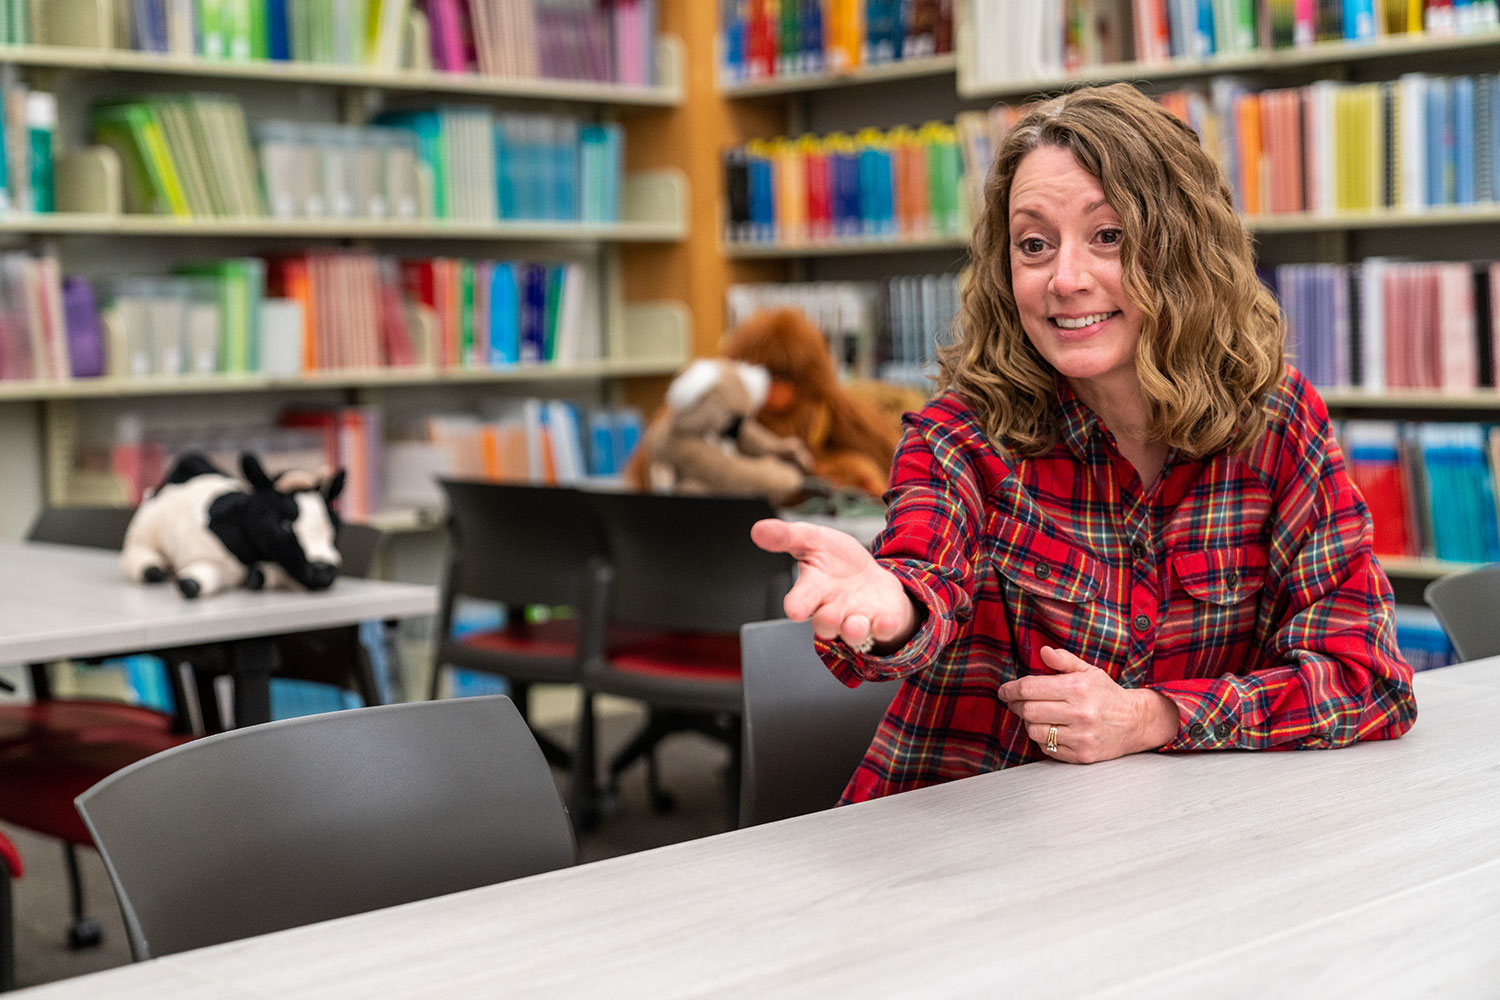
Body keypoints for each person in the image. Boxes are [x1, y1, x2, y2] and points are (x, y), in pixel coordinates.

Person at [750, 83, 1418, 804]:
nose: (1066, 279)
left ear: (1184, 247)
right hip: (961, 851)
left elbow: (1368, 678)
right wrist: (890, 607)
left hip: (1189, 843)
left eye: (1109, 237)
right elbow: (922, 573)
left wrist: (1151, 716)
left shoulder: (1275, 420)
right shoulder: (961, 435)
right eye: (1034, 245)